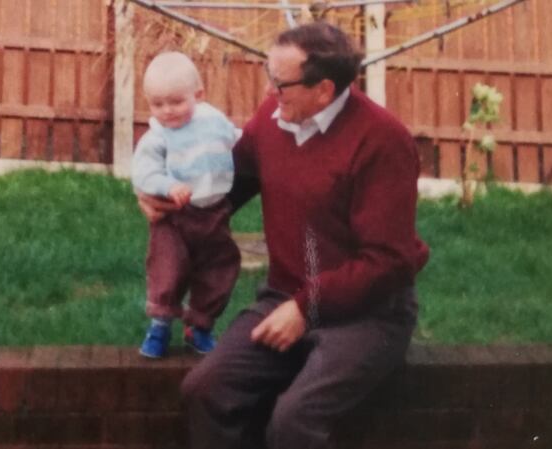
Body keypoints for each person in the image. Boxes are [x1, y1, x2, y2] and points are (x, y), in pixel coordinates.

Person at [137, 22, 429, 449]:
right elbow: (223, 184)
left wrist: (305, 306)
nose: (271, 92)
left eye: (280, 84)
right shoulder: (273, 122)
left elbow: (389, 260)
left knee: (293, 424)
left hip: (369, 316)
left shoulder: (382, 142)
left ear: (324, 90)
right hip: (285, 298)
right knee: (205, 389)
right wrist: (167, 205)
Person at [132, 51, 240, 359]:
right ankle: (160, 324)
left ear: (199, 95)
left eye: (176, 102)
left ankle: (200, 326)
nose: (167, 111)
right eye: (157, 104)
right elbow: (144, 172)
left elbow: (234, 140)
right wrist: (168, 186)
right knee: (168, 268)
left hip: (214, 212)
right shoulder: (157, 137)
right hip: (176, 217)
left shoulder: (213, 120)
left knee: (219, 268)